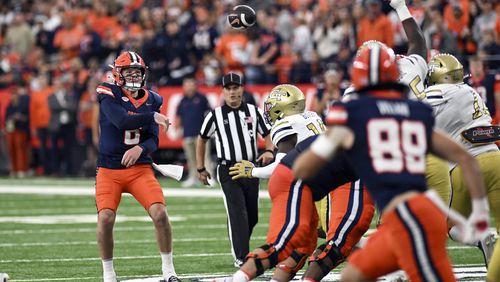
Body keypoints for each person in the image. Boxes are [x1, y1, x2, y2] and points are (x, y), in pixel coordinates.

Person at [292, 44, 489, 282]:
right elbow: (464, 158)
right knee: (356, 274)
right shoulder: (415, 110)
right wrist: (479, 211)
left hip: (405, 217)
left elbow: (304, 168)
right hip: (424, 211)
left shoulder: (351, 112)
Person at [231, 135, 374, 282]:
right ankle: (236, 279)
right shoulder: (360, 136)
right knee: (285, 243)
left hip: (306, 185)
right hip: (296, 182)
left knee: (303, 245)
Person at [95, 51, 179, 282]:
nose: (133, 75)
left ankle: (169, 271)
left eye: (137, 71)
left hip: (139, 169)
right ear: (117, 73)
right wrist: (152, 116)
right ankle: (109, 275)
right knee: (106, 218)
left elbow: (153, 140)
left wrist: (140, 149)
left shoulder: (153, 98)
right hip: (109, 170)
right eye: (128, 71)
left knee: (160, 214)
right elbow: (121, 120)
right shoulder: (107, 92)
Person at [424, 53, 500, 281]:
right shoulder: (471, 91)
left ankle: (481, 236)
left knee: (448, 226)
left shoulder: (436, 93)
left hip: (464, 168)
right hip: (496, 160)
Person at [196, 72, 274, 268]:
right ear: (223, 92)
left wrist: (270, 151)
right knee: (238, 213)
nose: (232, 92)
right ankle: (241, 256)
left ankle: (238, 239)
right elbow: (202, 138)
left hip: (250, 168)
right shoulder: (215, 115)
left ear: (242, 89)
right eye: (228, 88)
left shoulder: (253, 111)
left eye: (235, 88)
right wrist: (200, 168)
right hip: (228, 168)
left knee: (252, 215)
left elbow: (267, 133)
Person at [175, 76, 212, 187]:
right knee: (191, 159)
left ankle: (209, 177)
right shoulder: (182, 101)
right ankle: (193, 178)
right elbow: (179, 116)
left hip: (202, 134)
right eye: (187, 85)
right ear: (184, 87)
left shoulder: (202, 98)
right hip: (187, 133)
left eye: (191, 84)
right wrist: (177, 128)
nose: (190, 87)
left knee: (205, 157)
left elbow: (209, 114)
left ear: (195, 85)